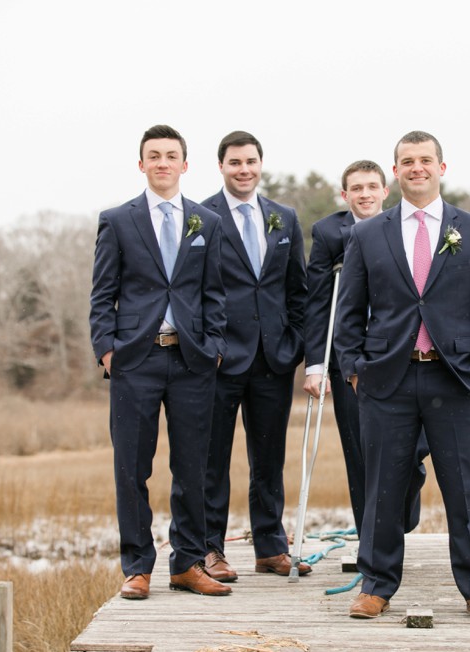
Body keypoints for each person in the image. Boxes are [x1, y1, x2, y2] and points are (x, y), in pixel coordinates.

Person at [335, 131, 470, 621]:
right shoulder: (367, 234)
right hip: (386, 380)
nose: (417, 168)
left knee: (464, 487)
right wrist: (353, 368)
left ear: (441, 167)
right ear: (395, 171)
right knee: (383, 488)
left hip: (454, 378)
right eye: (407, 161)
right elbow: (349, 311)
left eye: (425, 160)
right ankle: (376, 584)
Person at [90, 124, 230, 599]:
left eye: (172, 155)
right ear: (142, 163)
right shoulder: (118, 220)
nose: (163, 162)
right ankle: (138, 567)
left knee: (193, 467)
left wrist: (213, 346)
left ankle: (187, 564)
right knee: (132, 466)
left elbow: (215, 293)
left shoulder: (206, 223)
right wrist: (108, 350)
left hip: (192, 361)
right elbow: (102, 294)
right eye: (155, 155)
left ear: (185, 165)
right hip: (135, 361)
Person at [200, 130, 309, 580]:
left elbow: (297, 288)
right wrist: (211, 346)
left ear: (260, 165)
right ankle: (210, 550)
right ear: (221, 166)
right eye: (234, 162)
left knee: (269, 458)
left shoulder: (283, 218)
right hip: (221, 360)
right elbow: (193, 291)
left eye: (250, 162)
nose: (243, 170)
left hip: (273, 360)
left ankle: (270, 546)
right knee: (211, 458)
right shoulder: (200, 216)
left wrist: (295, 342)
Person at [303, 160, 426, 537]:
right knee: (361, 453)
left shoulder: (402, 227)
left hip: (403, 355)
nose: (365, 194)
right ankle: (371, 540)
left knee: (414, 450)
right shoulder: (328, 233)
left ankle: (401, 515)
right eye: (356, 188)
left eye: (372, 187)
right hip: (352, 359)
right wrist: (314, 365)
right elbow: (318, 302)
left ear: (385, 191)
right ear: (345, 195)